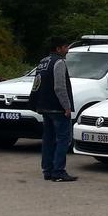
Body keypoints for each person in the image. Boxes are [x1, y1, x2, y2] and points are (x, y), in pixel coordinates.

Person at [29, 37, 78, 182]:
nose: (67, 50)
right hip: (57, 108)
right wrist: (66, 106)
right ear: (58, 49)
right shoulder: (59, 62)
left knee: (48, 139)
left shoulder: (43, 62)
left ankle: (47, 170)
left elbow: (37, 83)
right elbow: (60, 86)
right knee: (63, 139)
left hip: (44, 106)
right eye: (65, 47)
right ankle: (58, 171)